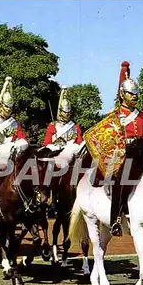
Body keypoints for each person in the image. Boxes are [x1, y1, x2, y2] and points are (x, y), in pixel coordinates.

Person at [109, 61, 143, 236]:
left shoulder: (141, 115)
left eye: (136, 94)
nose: (135, 97)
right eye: (131, 94)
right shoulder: (116, 115)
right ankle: (115, 220)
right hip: (123, 154)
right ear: (123, 94)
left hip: (142, 153)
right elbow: (110, 139)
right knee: (120, 181)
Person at [42, 85, 84, 216]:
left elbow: (79, 141)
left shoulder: (75, 127)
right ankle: (48, 195)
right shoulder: (52, 126)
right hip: (57, 155)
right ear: (60, 112)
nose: (67, 115)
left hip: (71, 154)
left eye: (68, 112)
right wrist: (55, 146)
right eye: (65, 112)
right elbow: (46, 143)